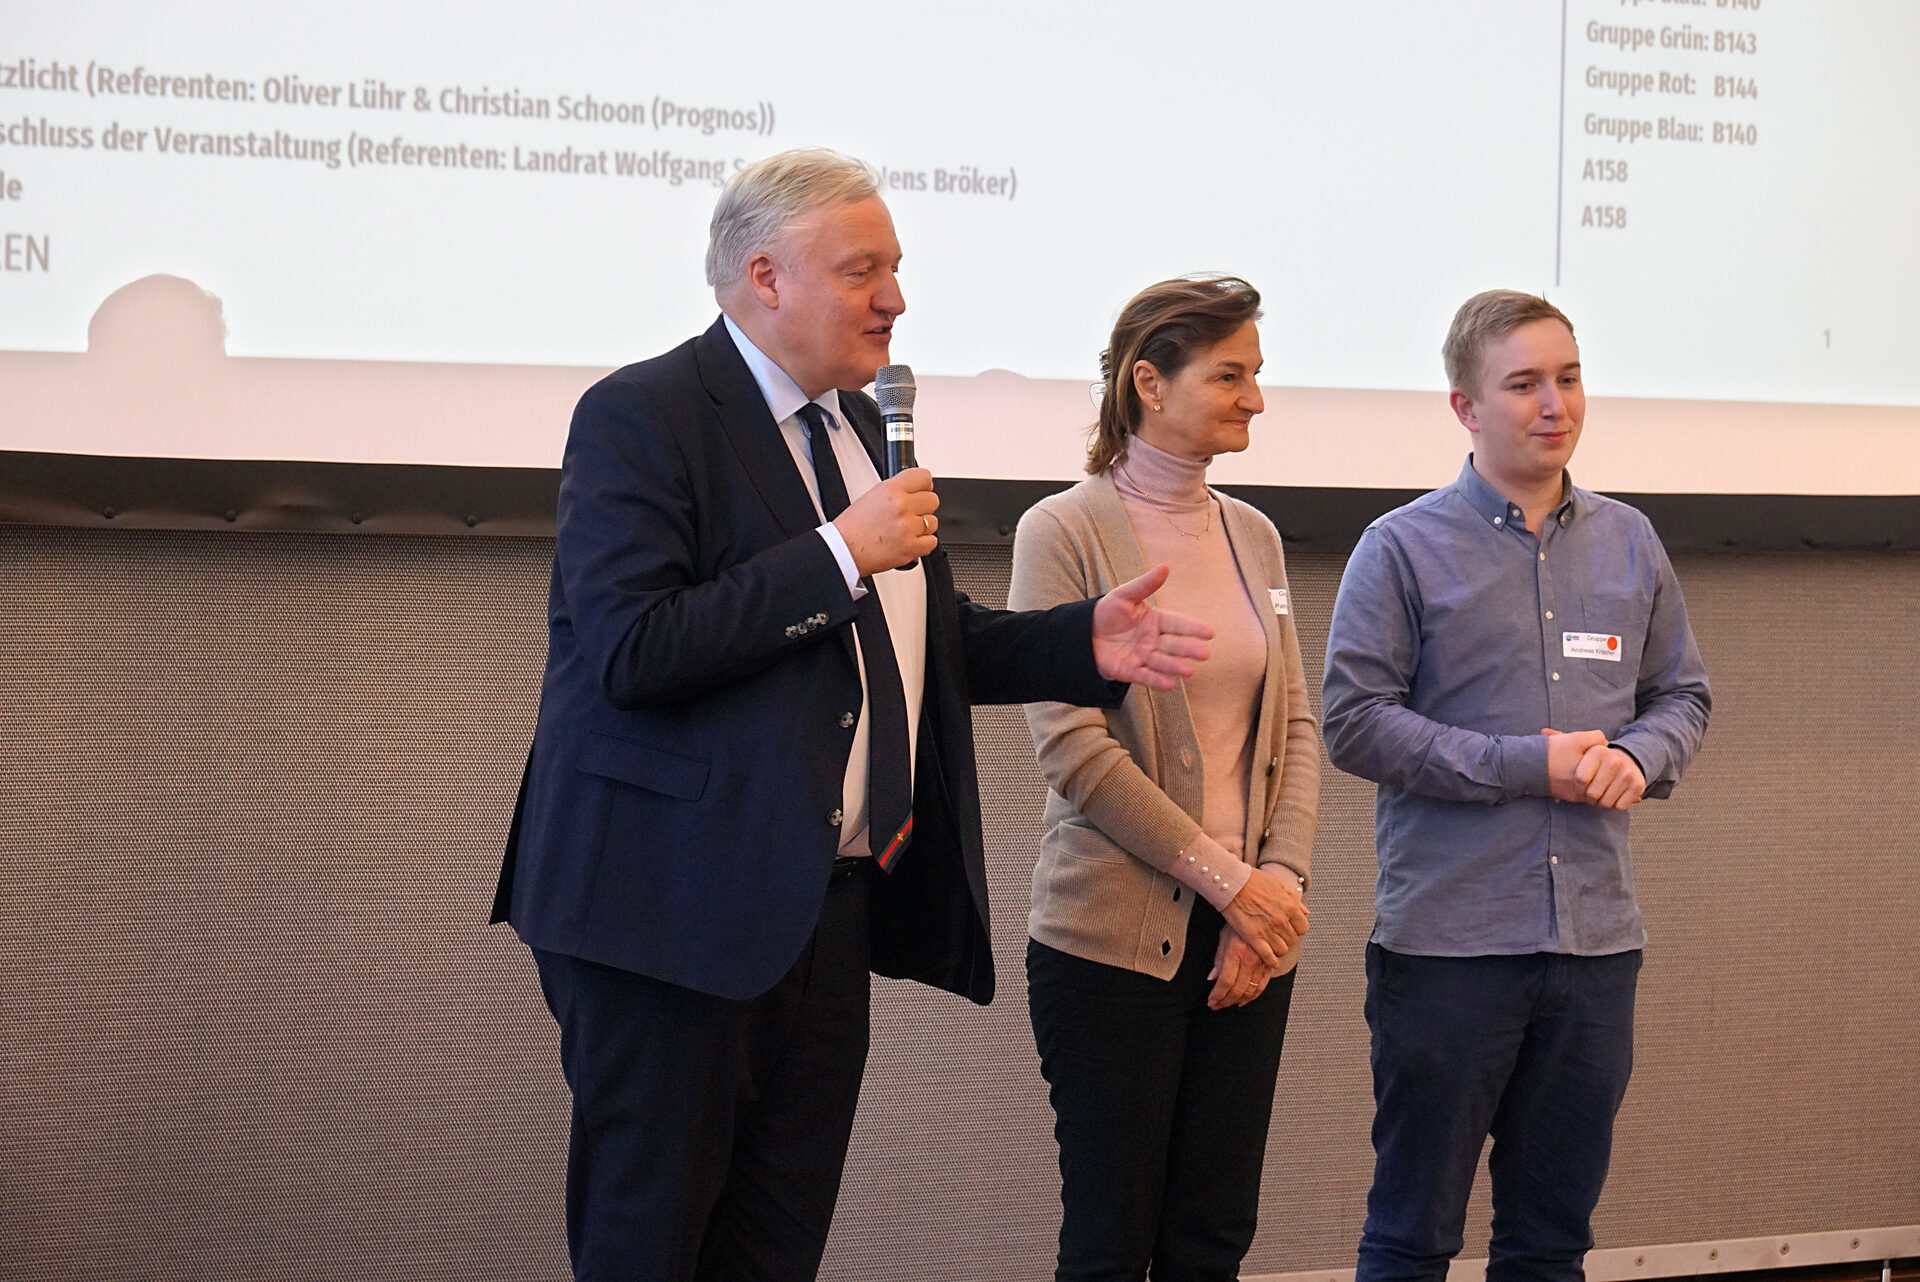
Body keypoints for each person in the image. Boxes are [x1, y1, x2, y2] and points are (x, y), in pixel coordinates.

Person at [488, 148, 1217, 1282]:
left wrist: (1079, 643)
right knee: (651, 1247)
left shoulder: (857, 430)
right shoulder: (643, 414)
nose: (895, 298)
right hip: (666, 913)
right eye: (862, 270)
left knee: (775, 1250)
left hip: (823, 912)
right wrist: (839, 552)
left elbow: (911, 636)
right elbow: (634, 648)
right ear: (765, 277)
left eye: (897, 268)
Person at [1321, 289, 1712, 1282]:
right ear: (1465, 406)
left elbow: (1682, 694)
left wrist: (1641, 756)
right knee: (1412, 1238)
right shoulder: (1399, 547)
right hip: (1449, 950)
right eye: (1524, 383)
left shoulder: (1630, 541)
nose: (1554, 404)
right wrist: (1520, 765)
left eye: (1569, 379)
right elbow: (1354, 720)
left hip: (1594, 948)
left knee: (1549, 1245)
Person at [1009, 276, 1319, 1282]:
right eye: (1230, 376)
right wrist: (1233, 887)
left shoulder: (1255, 535)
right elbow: (1074, 751)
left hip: (1251, 939)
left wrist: (1274, 895)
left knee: (1212, 1238)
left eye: (1257, 375)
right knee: (1111, 1243)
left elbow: (1295, 726)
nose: (1255, 399)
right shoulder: (1061, 530)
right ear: (1149, 382)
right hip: (1109, 948)